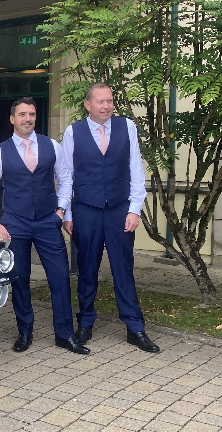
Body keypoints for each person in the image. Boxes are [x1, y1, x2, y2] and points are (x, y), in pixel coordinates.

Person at [0, 97, 89, 355]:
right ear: (12, 119)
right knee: (20, 279)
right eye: (22, 114)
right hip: (15, 222)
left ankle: (65, 334)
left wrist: (61, 211)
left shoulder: (52, 146)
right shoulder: (1, 152)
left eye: (32, 114)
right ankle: (24, 331)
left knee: (60, 277)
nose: (28, 119)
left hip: (47, 221)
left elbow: (65, 178)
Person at [62, 83, 159, 353]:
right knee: (87, 269)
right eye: (101, 102)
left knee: (123, 269)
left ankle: (135, 328)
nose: (106, 106)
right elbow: (67, 175)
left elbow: (136, 170)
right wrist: (67, 213)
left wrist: (134, 209)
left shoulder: (126, 127)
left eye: (110, 101)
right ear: (88, 105)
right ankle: (85, 324)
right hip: (86, 210)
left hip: (119, 209)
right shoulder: (73, 132)